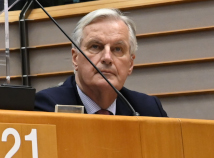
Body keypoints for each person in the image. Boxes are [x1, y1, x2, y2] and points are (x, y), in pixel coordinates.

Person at [35, 8, 167, 117]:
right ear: (75, 58)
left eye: (117, 49)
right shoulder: (46, 108)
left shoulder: (148, 110)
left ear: (130, 64)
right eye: (95, 47)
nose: (107, 58)